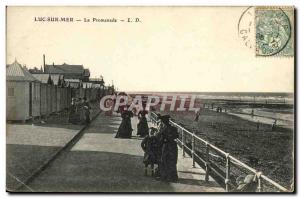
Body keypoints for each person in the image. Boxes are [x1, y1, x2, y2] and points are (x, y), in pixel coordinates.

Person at [158, 115, 179, 182]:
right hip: (173, 146)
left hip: (166, 146)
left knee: (164, 160)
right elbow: (177, 136)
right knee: (172, 161)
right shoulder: (173, 128)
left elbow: (161, 139)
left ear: (163, 122)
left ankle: (165, 176)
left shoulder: (163, 129)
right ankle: (173, 177)